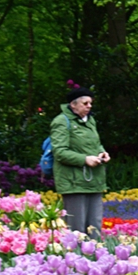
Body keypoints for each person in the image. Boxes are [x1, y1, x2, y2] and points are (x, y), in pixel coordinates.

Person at [51, 87, 109, 235]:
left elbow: (96, 144)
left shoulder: (90, 121)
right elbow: (59, 152)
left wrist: (102, 152)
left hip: (94, 180)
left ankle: (97, 256)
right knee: (76, 230)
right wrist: (84, 159)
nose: (89, 106)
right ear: (73, 105)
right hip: (73, 183)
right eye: (85, 103)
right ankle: (75, 257)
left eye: (90, 103)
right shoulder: (61, 122)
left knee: (94, 228)